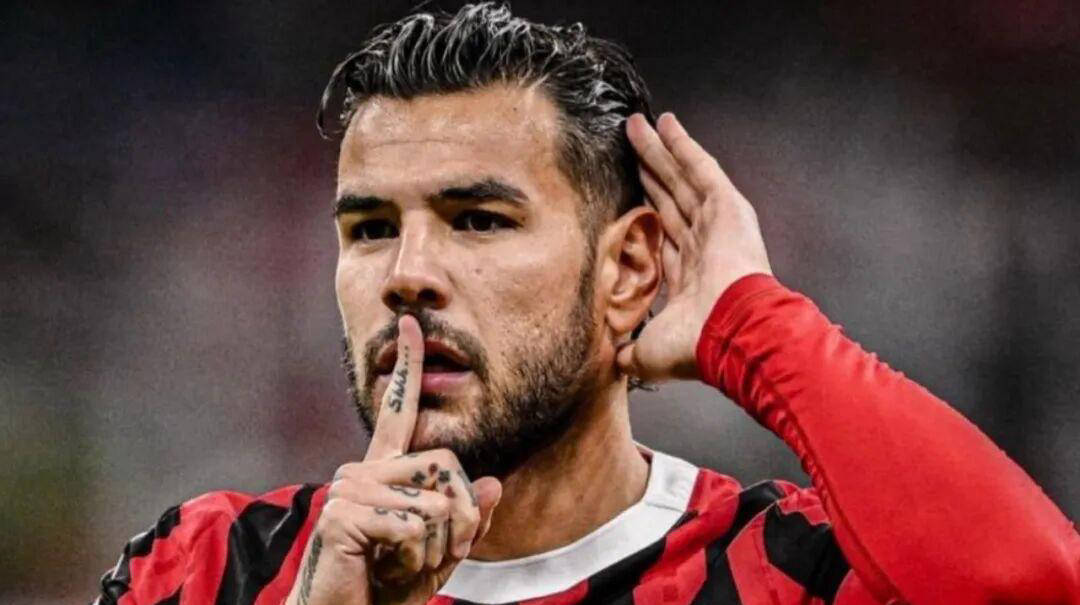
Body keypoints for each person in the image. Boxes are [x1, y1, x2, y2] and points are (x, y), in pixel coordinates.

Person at [92, 4, 1080, 605]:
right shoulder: (205, 567)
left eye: (479, 220)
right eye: (370, 228)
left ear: (628, 270)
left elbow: (1030, 586)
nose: (407, 273)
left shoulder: (787, 571)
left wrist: (757, 326)